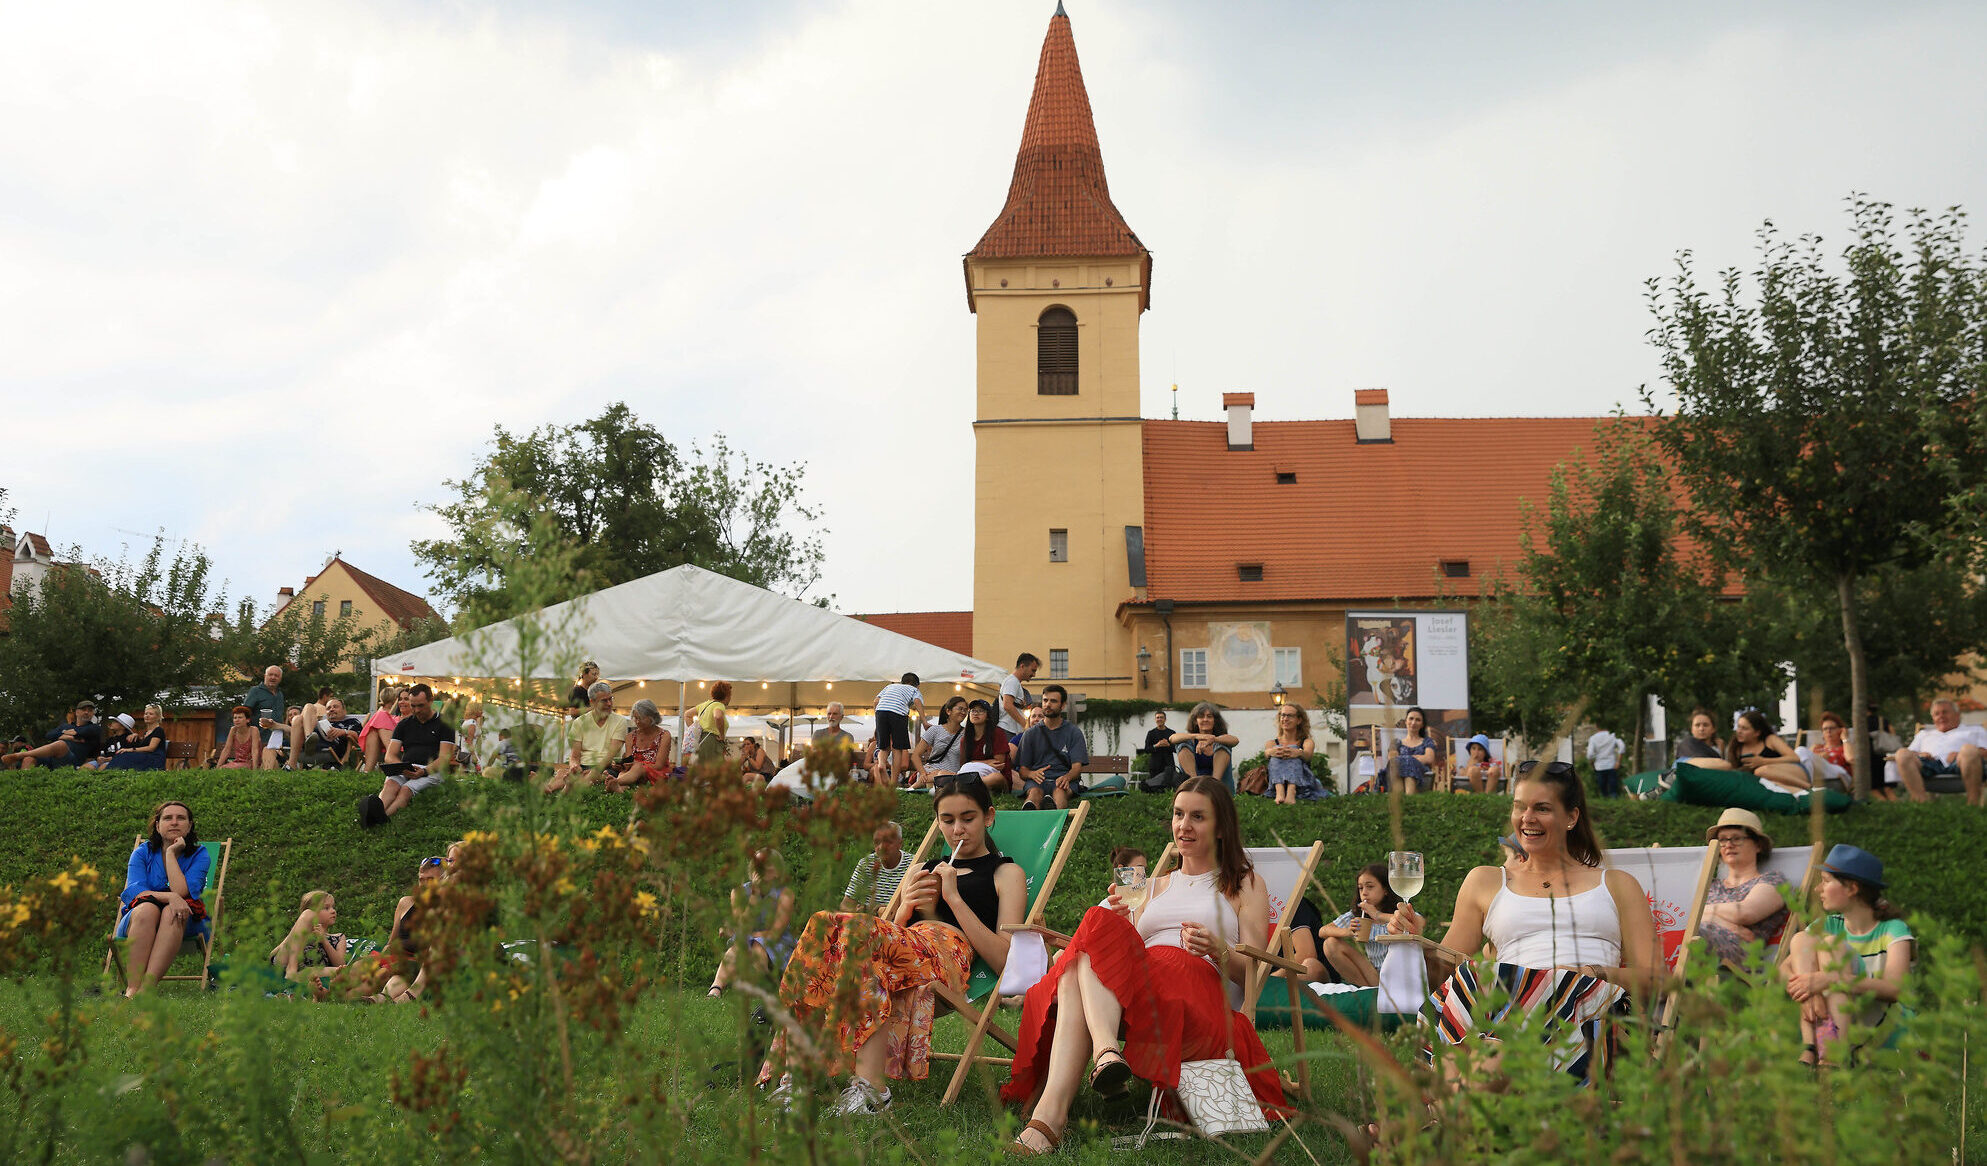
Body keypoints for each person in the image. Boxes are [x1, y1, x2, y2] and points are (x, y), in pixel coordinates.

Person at [1001, 777, 1286, 1154]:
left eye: (1197, 817)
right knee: (1092, 936)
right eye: (1178, 814)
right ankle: (1095, 1067)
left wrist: (1218, 949)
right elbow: (1123, 953)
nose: (1184, 826)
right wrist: (1118, 921)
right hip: (1144, 986)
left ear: (1221, 828)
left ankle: (1059, 1109)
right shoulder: (1149, 885)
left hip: (1197, 988)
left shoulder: (1244, 883)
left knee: (1079, 960)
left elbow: (1255, 973)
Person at [760, 774, 1027, 1117]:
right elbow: (892, 932)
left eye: (968, 818)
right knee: (824, 924)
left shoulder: (1005, 873)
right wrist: (905, 907)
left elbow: (1006, 959)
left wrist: (954, 899)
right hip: (903, 951)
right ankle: (803, 1077)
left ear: (988, 817)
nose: (957, 829)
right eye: (947, 820)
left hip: (947, 958)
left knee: (852, 931)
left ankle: (866, 1088)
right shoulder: (922, 870)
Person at [1396, 760, 1658, 1085]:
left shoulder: (1617, 884)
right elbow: (1446, 975)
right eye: (1520, 806)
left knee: (1499, 1038)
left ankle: (1442, 1100)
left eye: (1542, 808)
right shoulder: (1485, 881)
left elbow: (1656, 979)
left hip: (1585, 1015)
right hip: (1499, 1015)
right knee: (1476, 981)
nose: (1527, 818)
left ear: (1572, 817)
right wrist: (1417, 943)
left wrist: (1588, 973)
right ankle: (1466, 1087)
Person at [1783, 845, 1912, 1066]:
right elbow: (1784, 968)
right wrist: (1810, 991)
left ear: (1852, 888)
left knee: (1831, 945)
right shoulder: (1827, 924)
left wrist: (1831, 979)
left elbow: (1895, 990)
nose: (1818, 888)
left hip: (1880, 1028)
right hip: (1832, 1019)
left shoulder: (1893, 929)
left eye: (1826, 881)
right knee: (1801, 940)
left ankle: (1834, 1059)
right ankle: (1812, 1047)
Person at [114, 801, 214, 997]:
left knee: (172, 911)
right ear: (158, 825)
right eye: (168, 818)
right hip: (140, 920)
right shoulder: (141, 853)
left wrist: (170, 853)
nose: (174, 822)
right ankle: (132, 990)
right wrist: (170, 896)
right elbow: (136, 893)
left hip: (185, 920)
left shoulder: (200, 855)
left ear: (189, 825)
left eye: (181, 818)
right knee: (147, 909)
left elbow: (181, 891)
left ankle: (146, 990)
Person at [1696, 809, 1789, 969]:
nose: (1728, 845)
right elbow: (1688, 916)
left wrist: (1703, 913)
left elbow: (1745, 913)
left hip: (1740, 955)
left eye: (1737, 838)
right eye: (1722, 840)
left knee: (1693, 936)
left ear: (1758, 845)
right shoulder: (1711, 885)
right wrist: (1725, 923)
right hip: (1701, 943)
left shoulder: (1773, 880)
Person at [359, 684, 456, 828]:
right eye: (413, 706)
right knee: (390, 784)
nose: (417, 710)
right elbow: (390, 755)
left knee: (406, 790)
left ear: (431, 701)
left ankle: (381, 820)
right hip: (406, 767)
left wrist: (424, 771)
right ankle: (375, 813)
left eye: (421, 706)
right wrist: (402, 767)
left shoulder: (445, 724)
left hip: (431, 769)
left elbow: (444, 758)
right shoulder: (404, 724)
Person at [708, 848, 796, 996]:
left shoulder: (785, 895)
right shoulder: (738, 893)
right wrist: (754, 896)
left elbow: (775, 933)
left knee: (756, 945)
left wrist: (742, 934)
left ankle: (756, 988)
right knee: (738, 947)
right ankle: (716, 988)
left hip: (778, 943)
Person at [1317, 863, 1403, 987]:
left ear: (1385, 889)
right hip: (1374, 975)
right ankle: (1367, 990)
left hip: (1399, 976)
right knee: (1330, 944)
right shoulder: (1358, 914)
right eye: (1361, 888)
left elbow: (1415, 921)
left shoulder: (1398, 911)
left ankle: (1375, 991)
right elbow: (1323, 931)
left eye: (1370, 887)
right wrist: (1348, 931)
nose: (1364, 893)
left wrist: (1377, 914)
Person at [1893, 697, 1987, 805]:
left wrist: (1961, 754)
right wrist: (1920, 754)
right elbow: (1910, 753)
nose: (1941, 716)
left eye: (1945, 712)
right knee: (1902, 753)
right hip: (1929, 765)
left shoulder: (1975, 730)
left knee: (1968, 750)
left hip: (1961, 765)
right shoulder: (1924, 734)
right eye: (1937, 714)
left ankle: (1973, 804)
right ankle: (1921, 804)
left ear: (1957, 715)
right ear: (1933, 718)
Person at [545, 682, 629, 793]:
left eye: (611, 699)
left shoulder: (620, 721)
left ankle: (570, 788)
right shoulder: (579, 722)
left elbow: (610, 756)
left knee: (597, 775)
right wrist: (574, 766)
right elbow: (574, 755)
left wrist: (593, 772)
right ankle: (549, 788)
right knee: (562, 773)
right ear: (592, 702)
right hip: (583, 766)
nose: (609, 703)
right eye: (604, 701)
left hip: (606, 767)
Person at [1015, 685, 1089, 810]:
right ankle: (1029, 817)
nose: (1048, 704)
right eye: (1045, 700)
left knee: (1059, 791)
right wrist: (1031, 774)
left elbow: (1077, 768)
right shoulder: (1030, 734)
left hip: (1063, 779)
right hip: (1037, 781)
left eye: (1053, 701)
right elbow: (1023, 771)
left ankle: (1055, 818)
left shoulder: (1073, 732)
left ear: (1062, 705)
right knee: (1034, 793)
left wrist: (1067, 777)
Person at [268, 889, 351, 992]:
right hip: (286, 962)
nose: (333, 911)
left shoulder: (338, 937)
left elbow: (340, 964)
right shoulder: (302, 929)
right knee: (308, 914)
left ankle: (297, 975)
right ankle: (291, 970)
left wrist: (324, 940)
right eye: (326, 908)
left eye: (333, 907)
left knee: (345, 971)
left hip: (310, 971)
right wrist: (296, 931)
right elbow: (272, 955)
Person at [4, 699, 107, 769]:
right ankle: (23, 787)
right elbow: (49, 735)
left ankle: (21, 755)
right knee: (29, 759)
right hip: (51, 758)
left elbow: (81, 732)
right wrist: (64, 734)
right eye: (84, 710)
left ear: (92, 713)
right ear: (77, 712)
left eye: (90, 710)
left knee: (61, 745)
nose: (86, 712)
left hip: (72, 761)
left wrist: (66, 736)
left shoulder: (94, 728)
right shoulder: (65, 726)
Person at [1726, 709, 1810, 794]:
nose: (1739, 731)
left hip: (1794, 772)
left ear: (1757, 733)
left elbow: (1795, 758)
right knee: (1768, 783)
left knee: (1761, 771)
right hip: (1770, 782)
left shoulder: (1770, 740)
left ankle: (1808, 787)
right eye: (1738, 727)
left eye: (1744, 728)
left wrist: (1763, 761)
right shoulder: (1736, 748)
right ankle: (1803, 794)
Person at [839, 822, 914, 913]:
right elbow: (845, 905)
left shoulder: (913, 865)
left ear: (900, 843)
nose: (881, 847)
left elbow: (918, 908)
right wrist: (859, 911)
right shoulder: (866, 864)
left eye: (888, 842)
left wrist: (887, 911)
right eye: (877, 842)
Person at [604, 698, 673, 791]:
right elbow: (628, 762)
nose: (637, 721)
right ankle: (618, 789)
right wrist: (622, 765)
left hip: (656, 773)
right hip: (633, 774)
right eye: (635, 718)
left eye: (641, 718)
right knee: (624, 772)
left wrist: (637, 765)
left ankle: (615, 782)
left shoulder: (664, 735)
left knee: (637, 767)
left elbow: (659, 765)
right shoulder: (630, 736)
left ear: (652, 717)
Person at [1168, 702, 1238, 792]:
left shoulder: (1219, 740)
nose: (1205, 719)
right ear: (1195, 721)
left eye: (1209, 716)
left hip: (1219, 788)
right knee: (1182, 743)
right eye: (1201, 716)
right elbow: (1172, 738)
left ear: (1215, 721)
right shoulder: (1191, 741)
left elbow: (1235, 740)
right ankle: (1195, 784)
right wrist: (1197, 736)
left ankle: (1214, 785)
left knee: (1223, 744)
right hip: (1194, 786)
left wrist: (1214, 739)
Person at [1264, 703, 1324, 803]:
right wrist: (1271, 751)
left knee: (1294, 750)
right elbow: (1266, 754)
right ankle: (1280, 792)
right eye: (1283, 715)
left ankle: (1291, 793)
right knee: (1276, 750)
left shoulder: (1307, 742)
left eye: (1290, 716)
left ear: (1299, 720)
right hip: (1276, 784)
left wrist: (1299, 753)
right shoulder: (1271, 743)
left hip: (1302, 784)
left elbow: (1308, 756)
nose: (1285, 719)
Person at [873, 673, 925, 787]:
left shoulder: (890, 686)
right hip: (898, 713)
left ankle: (881, 765)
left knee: (883, 747)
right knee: (897, 749)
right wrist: (924, 722)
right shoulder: (914, 690)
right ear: (917, 685)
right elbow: (917, 702)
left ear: (902, 682)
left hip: (881, 712)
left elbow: (876, 701)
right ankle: (893, 783)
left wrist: (877, 718)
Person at [958, 698, 1016, 793]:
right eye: (973, 711)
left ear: (988, 716)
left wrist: (973, 762)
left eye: (980, 711)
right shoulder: (965, 739)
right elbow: (964, 764)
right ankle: (966, 786)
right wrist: (986, 762)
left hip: (997, 778)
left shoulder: (997, 733)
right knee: (942, 773)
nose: (976, 714)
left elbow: (999, 763)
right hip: (970, 775)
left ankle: (962, 787)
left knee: (995, 778)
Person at [912, 696, 970, 787]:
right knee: (940, 775)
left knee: (944, 775)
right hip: (930, 772)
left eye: (965, 710)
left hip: (952, 775)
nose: (963, 712)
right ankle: (922, 783)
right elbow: (915, 755)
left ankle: (915, 786)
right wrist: (923, 773)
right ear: (948, 711)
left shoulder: (967, 734)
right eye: (960, 709)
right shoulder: (935, 730)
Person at [1379, 706, 1439, 794]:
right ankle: (1407, 798)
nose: (1413, 722)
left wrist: (1407, 759)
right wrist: (1416, 758)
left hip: (1420, 775)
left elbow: (1429, 758)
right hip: (1396, 774)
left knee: (1408, 763)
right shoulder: (1396, 742)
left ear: (1422, 724)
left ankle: (1406, 799)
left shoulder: (1427, 741)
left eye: (1418, 720)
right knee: (1402, 763)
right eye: (1411, 718)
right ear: (1406, 721)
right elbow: (1393, 759)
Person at [294, 698, 364, 770]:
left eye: (335, 707)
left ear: (344, 710)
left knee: (308, 707)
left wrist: (344, 731)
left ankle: (307, 742)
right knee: (298, 717)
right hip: (309, 740)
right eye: (328, 708)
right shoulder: (320, 722)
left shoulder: (351, 722)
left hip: (330, 744)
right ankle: (309, 739)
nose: (331, 709)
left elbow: (360, 737)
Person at [243, 664, 287, 769]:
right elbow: (245, 713)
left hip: (277, 739)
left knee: (276, 764)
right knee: (267, 764)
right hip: (260, 738)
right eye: (270, 675)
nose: (273, 677)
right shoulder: (255, 691)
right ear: (265, 676)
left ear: (280, 678)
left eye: (276, 675)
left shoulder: (280, 694)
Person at [101, 705, 170, 771]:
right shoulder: (146, 733)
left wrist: (131, 749)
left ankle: (108, 773)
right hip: (145, 757)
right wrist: (135, 735)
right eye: (146, 714)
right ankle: (108, 773)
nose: (147, 716)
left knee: (124, 756)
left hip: (154, 759)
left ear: (158, 717)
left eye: (151, 714)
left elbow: (151, 748)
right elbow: (141, 745)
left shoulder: (158, 730)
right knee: (121, 755)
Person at [358, 687, 409, 772]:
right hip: (382, 748)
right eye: (400, 699)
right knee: (374, 731)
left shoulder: (415, 720)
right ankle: (368, 771)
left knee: (380, 715)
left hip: (402, 748)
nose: (401, 702)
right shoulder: (393, 718)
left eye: (406, 699)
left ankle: (391, 758)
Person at [689, 682, 732, 767]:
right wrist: (722, 735)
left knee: (702, 768)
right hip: (712, 741)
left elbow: (687, 714)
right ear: (726, 695)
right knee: (713, 770)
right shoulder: (719, 705)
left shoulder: (704, 705)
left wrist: (695, 732)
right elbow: (718, 716)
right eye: (730, 695)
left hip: (701, 740)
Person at [1808, 711, 1853, 791]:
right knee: (1801, 750)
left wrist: (1845, 738)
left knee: (1802, 751)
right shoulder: (1816, 747)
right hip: (1815, 779)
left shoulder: (1845, 747)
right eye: (1825, 729)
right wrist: (1818, 757)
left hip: (1837, 780)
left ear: (1840, 730)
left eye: (1832, 728)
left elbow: (1851, 759)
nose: (1828, 731)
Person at [1000, 653, 1041, 737]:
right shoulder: (1012, 681)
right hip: (1008, 731)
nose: (1034, 675)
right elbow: (1007, 705)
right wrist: (1025, 725)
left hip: (1009, 731)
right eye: (1033, 670)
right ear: (1022, 666)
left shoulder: (1014, 682)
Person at [1140, 710, 1178, 791]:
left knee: (1168, 788)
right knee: (1154, 787)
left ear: (1165, 719)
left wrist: (1168, 745)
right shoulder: (1151, 733)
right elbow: (1147, 749)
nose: (1159, 719)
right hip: (1155, 765)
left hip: (1168, 764)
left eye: (1161, 717)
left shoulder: (1171, 733)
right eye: (1157, 717)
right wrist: (1157, 745)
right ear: (1155, 719)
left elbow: (1176, 749)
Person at [1585, 726, 1625, 799]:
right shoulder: (1613, 735)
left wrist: (1592, 765)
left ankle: (1605, 801)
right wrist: (1618, 762)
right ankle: (1615, 802)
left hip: (1599, 767)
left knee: (1603, 790)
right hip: (1612, 765)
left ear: (1596, 726)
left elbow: (1590, 755)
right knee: (1613, 790)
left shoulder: (1593, 738)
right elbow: (1622, 746)